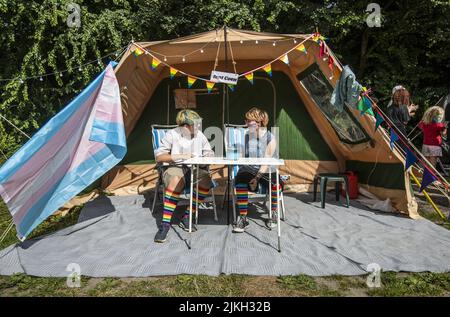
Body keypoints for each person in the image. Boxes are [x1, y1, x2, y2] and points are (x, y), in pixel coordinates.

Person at [153, 109, 213, 243]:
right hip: (176, 167)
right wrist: (180, 156)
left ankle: (187, 214)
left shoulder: (200, 135)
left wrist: (207, 156)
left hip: (195, 168)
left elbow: (209, 152)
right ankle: (165, 224)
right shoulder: (172, 134)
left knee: (206, 180)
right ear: (186, 126)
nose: (198, 127)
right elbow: (159, 157)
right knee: (176, 179)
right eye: (196, 124)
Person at [232, 107, 283, 233]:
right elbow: (246, 156)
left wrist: (256, 178)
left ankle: (273, 213)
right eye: (246, 120)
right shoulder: (248, 135)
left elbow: (266, 162)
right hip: (250, 169)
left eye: (250, 121)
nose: (247, 123)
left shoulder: (271, 138)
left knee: (276, 184)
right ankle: (243, 217)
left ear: (260, 122)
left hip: (265, 170)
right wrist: (236, 158)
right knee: (240, 180)